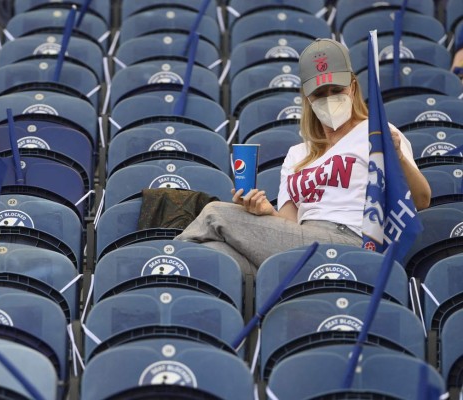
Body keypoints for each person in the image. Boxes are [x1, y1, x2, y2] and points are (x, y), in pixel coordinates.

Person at [174, 38, 431, 275]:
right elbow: (288, 223)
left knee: (215, 213)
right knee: (215, 256)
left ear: (352, 87)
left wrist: (396, 154)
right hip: (301, 238)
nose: (329, 98)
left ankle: (165, 260)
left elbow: (421, 199)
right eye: (320, 93)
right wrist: (265, 212)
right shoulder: (297, 154)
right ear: (307, 98)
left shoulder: (376, 132)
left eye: (336, 89)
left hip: (353, 241)